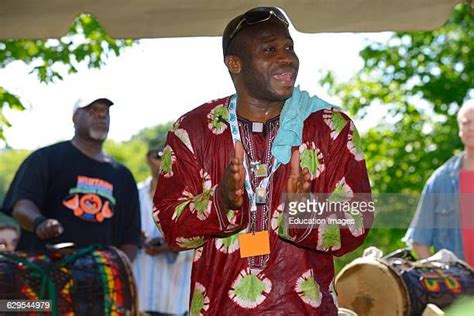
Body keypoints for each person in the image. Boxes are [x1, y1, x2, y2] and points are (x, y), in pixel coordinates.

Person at [153, 7, 373, 314]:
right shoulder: (193, 131)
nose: (287, 58)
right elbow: (168, 224)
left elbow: (360, 219)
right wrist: (220, 201)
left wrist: (304, 212)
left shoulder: (329, 127)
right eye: (270, 49)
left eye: (289, 48)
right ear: (235, 63)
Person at [1, 94, 141, 260]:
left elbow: (130, 237)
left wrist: (122, 272)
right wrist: (39, 223)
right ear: (75, 117)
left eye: (105, 111)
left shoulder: (122, 175)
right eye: (92, 110)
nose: (101, 115)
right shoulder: (45, 159)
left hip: (100, 277)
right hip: (45, 271)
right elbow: (21, 206)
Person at [404, 99, 474, 266]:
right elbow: (419, 240)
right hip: (458, 288)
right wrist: (439, 278)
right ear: (460, 130)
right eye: (466, 123)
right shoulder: (440, 180)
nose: (472, 127)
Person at [133, 147, 193, 315]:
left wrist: (171, 245)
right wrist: (134, 238)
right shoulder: (133, 195)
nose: (164, 160)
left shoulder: (190, 198)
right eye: (159, 155)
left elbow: (203, 243)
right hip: (140, 299)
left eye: (170, 155)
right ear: (148, 158)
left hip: (175, 302)